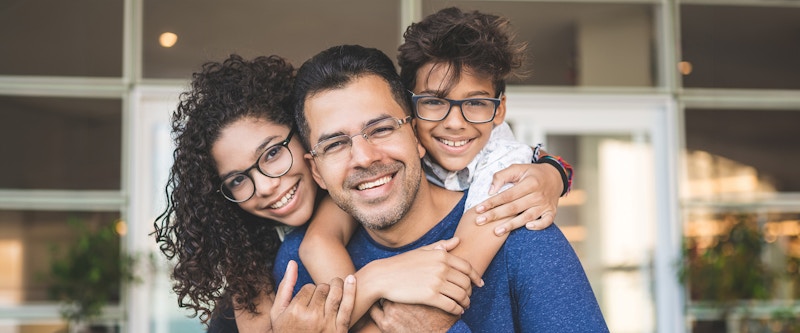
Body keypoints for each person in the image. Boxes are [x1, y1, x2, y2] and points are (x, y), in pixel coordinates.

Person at [276, 44, 609, 332]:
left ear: (417, 136)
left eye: (381, 129)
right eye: (334, 145)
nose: (364, 158)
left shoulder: (522, 233)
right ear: (316, 171)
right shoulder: (297, 265)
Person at [153, 54, 482, 332]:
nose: (266, 186)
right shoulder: (254, 270)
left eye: (272, 153)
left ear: (305, 137)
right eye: (238, 180)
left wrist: (537, 169)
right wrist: (371, 281)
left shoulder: (365, 187)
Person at [298, 7, 574, 291]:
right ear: (410, 108)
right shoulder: (379, 162)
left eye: (476, 103)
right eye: (434, 102)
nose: (455, 123)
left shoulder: (504, 169)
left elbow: (454, 281)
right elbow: (318, 241)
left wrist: (553, 174)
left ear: (499, 109)